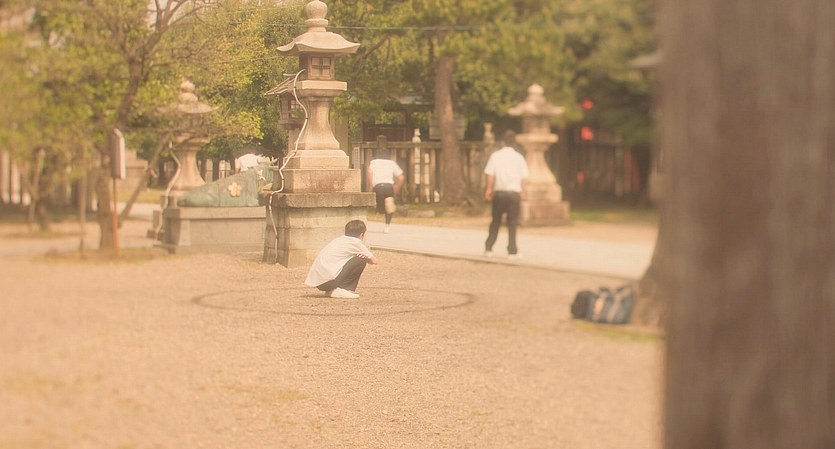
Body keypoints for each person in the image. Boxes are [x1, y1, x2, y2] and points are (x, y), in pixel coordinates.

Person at [483, 130, 529, 259]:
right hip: (514, 193)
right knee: (512, 222)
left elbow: (490, 174)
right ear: (514, 143)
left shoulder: (496, 156)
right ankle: (512, 250)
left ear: (503, 142)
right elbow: (524, 177)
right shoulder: (519, 157)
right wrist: (523, 192)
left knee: (496, 220)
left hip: (500, 192)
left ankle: (489, 247)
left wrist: (489, 189)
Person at [305, 220, 378, 299]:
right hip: (329, 282)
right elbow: (374, 261)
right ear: (361, 234)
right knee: (361, 259)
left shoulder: (338, 240)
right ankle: (345, 289)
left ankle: (333, 290)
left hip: (319, 283)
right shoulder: (356, 242)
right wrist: (366, 258)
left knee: (357, 258)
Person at [367, 136, 404, 233]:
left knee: (380, 206)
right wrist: (397, 188)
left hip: (378, 186)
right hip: (388, 186)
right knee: (389, 205)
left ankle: (379, 209)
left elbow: (369, 172)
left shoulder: (374, 162)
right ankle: (387, 226)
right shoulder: (391, 163)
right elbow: (401, 177)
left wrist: (370, 185)